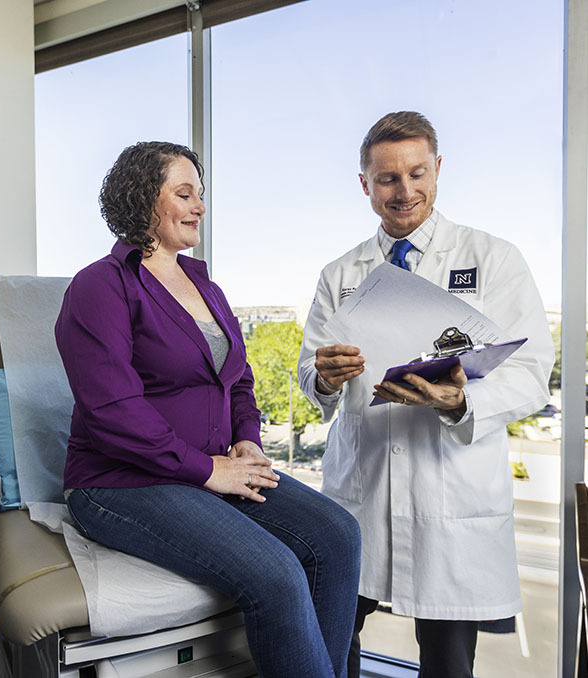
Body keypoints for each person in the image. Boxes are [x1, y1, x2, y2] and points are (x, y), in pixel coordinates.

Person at [56, 141, 361, 678]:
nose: (200, 206)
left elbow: (238, 378)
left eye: (201, 194)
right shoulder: (99, 286)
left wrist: (246, 441)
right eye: (184, 193)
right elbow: (112, 410)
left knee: (338, 535)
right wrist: (209, 471)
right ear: (143, 198)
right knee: (276, 573)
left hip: (215, 463)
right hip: (120, 482)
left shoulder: (206, 285)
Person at [297, 112, 555, 678]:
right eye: (387, 178)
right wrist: (325, 376)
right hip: (359, 490)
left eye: (417, 173)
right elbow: (308, 372)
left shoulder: (493, 258)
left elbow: (533, 368)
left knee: (447, 662)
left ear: (437, 170)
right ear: (365, 183)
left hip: (450, 494)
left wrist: (460, 403)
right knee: (334, 642)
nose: (404, 191)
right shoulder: (340, 273)